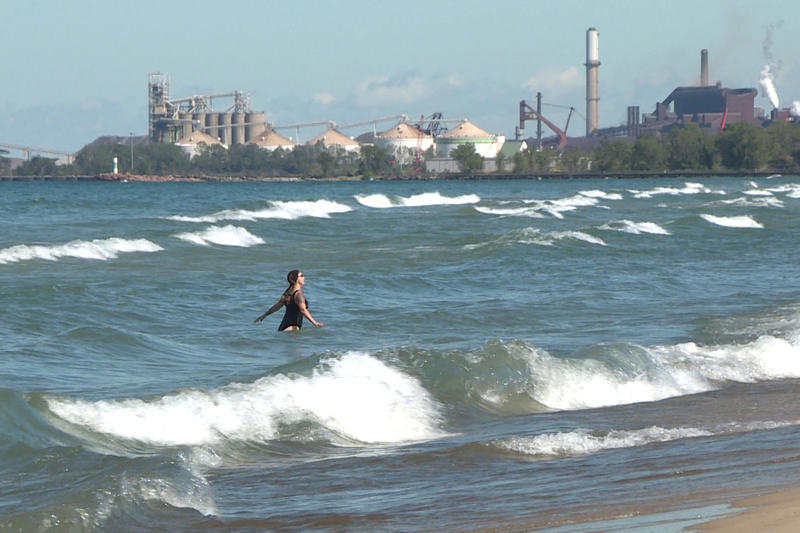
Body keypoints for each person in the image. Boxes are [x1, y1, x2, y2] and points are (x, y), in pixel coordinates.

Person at [253, 270, 323, 331]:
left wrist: (264, 315)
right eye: (301, 275)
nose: (304, 277)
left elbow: (276, 307)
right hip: (292, 328)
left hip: (283, 327)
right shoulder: (299, 294)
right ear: (296, 279)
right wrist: (315, 322)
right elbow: (303, 310)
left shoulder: (288, 293)